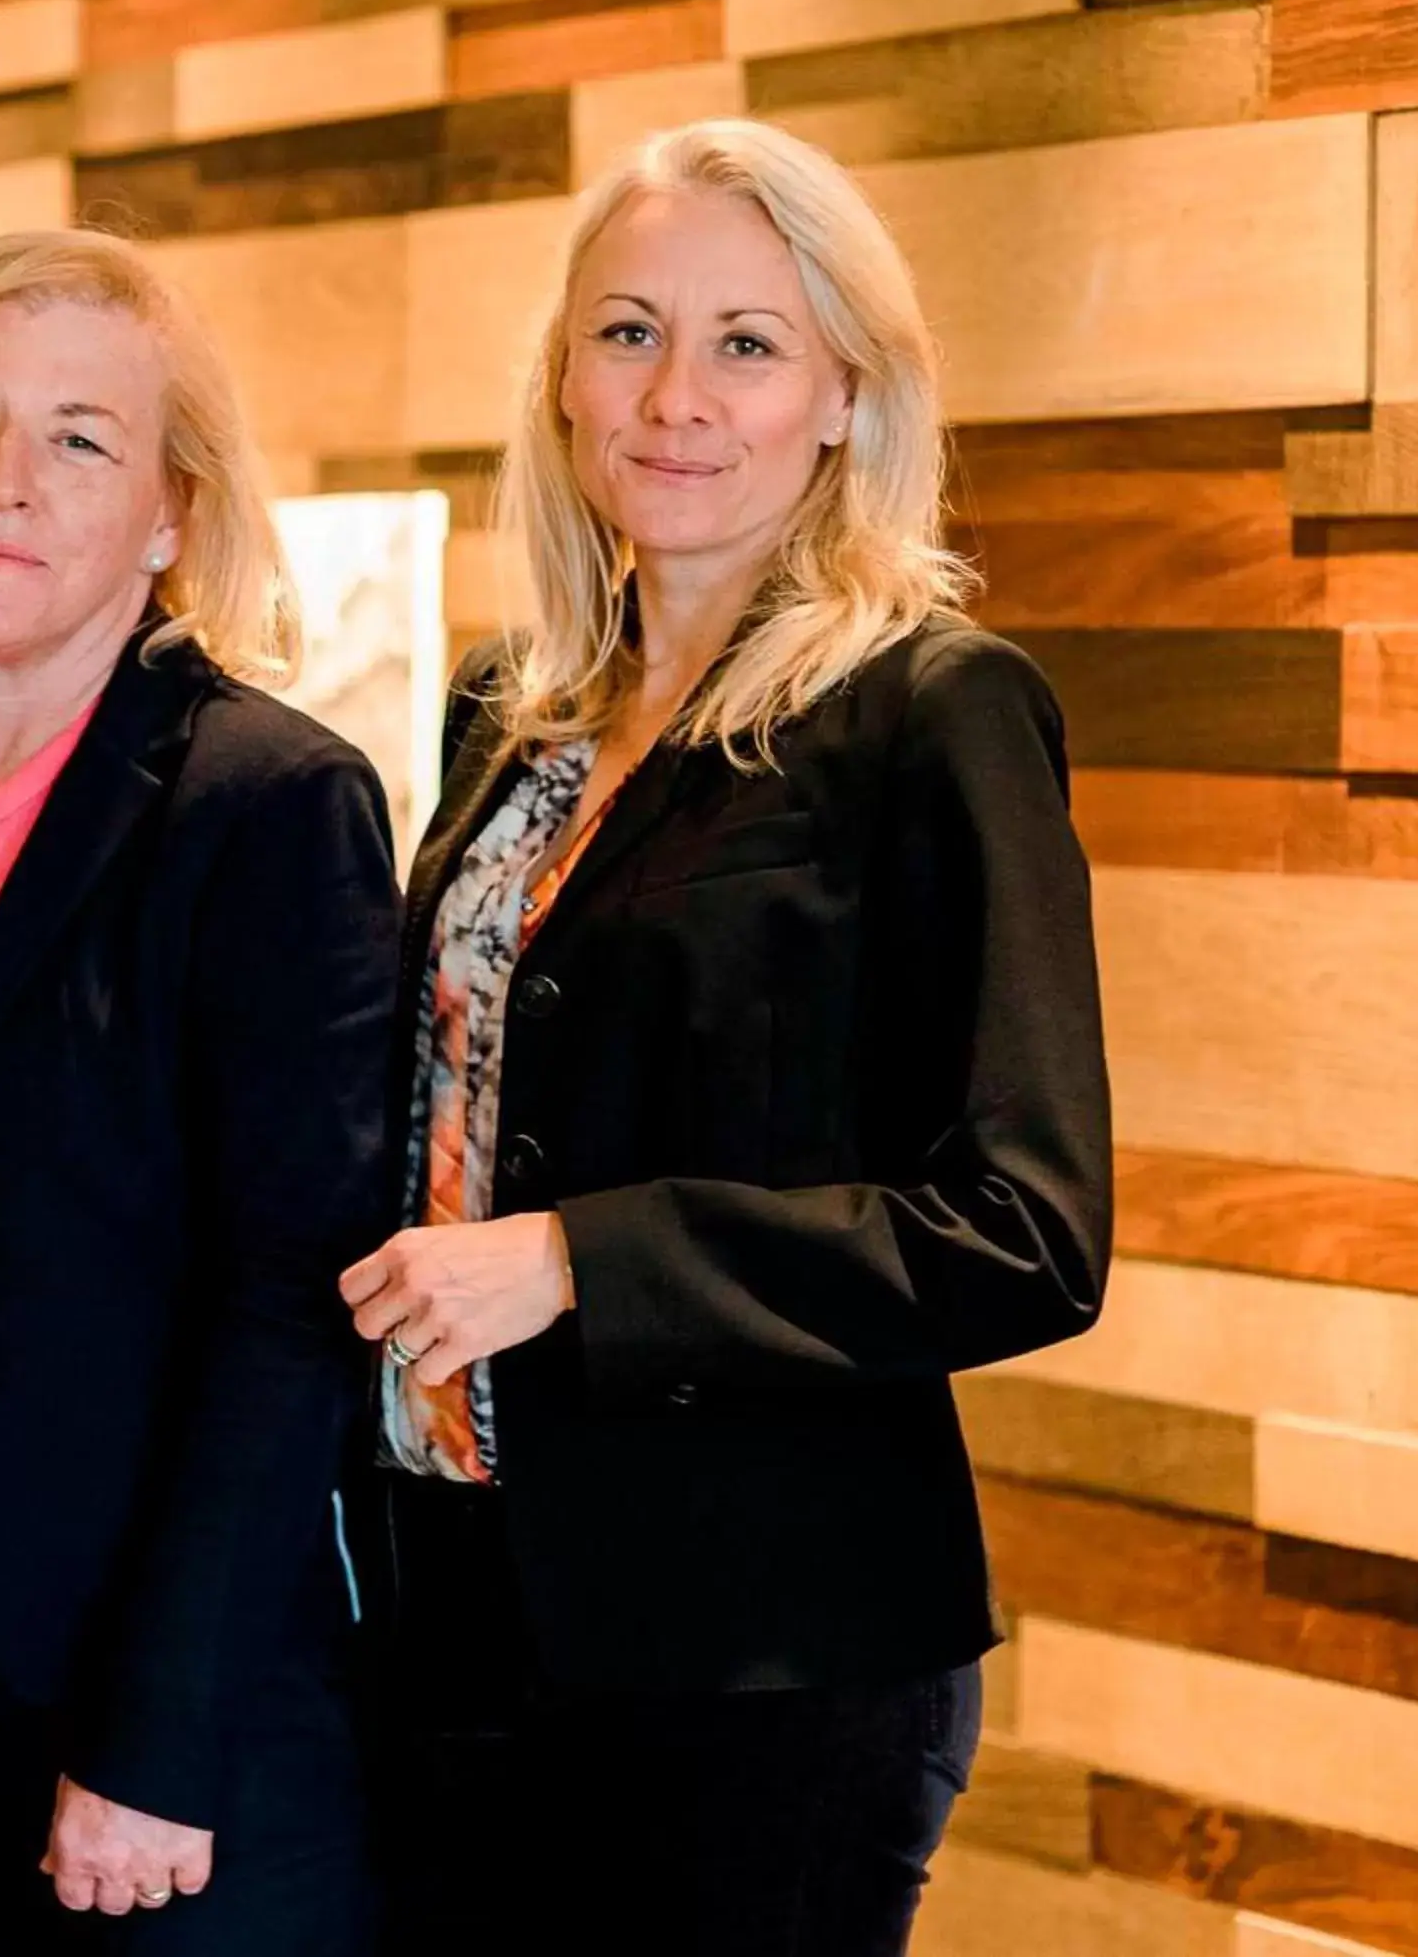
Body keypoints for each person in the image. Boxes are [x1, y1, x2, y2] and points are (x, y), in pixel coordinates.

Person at [340, 118, 1112, 1956]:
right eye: (627, 333)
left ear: (848, 394)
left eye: (748, 344)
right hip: (453, 1612)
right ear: (563, 381)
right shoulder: (505, 715)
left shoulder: (933, 712)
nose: (677, 396)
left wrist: (581, 1263)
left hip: (766, 1652)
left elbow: (1024, 1228)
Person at [0, 226, 398, 1955]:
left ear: (176, 511)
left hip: (137, 1718)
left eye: (82, 439)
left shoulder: (265, 805)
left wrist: (152, 1738)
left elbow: (295, 1308)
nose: (5, 484)